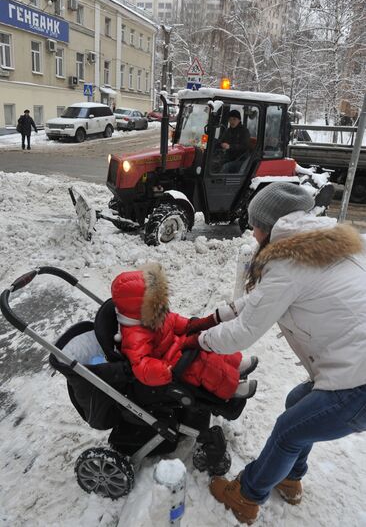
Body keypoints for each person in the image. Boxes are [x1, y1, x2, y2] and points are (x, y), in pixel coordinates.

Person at [192, 182, 366, 524]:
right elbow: (261, 301)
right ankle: (289, 476)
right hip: (355, 368)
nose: (251, 232)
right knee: (296, 403)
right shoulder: (321, 246)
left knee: (289, 429)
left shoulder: (287, 263)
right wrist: (214, 317)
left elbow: (244, 332)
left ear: (269, 227)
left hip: (358, 384)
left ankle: (246, 497)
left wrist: (198, 342)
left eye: (255, 224)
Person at [111, 263, 258, 400]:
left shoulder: (154, 314)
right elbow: (142, 365)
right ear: (140, 307)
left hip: (178, 347)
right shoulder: (135, 335)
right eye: (155, 301)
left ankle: (236, 364)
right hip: (173, 364)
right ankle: (232, 388)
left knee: (208, 345)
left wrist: (191, 325)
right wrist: (165, 371)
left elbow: (173, 321)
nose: (161, 304)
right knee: (204, 365)